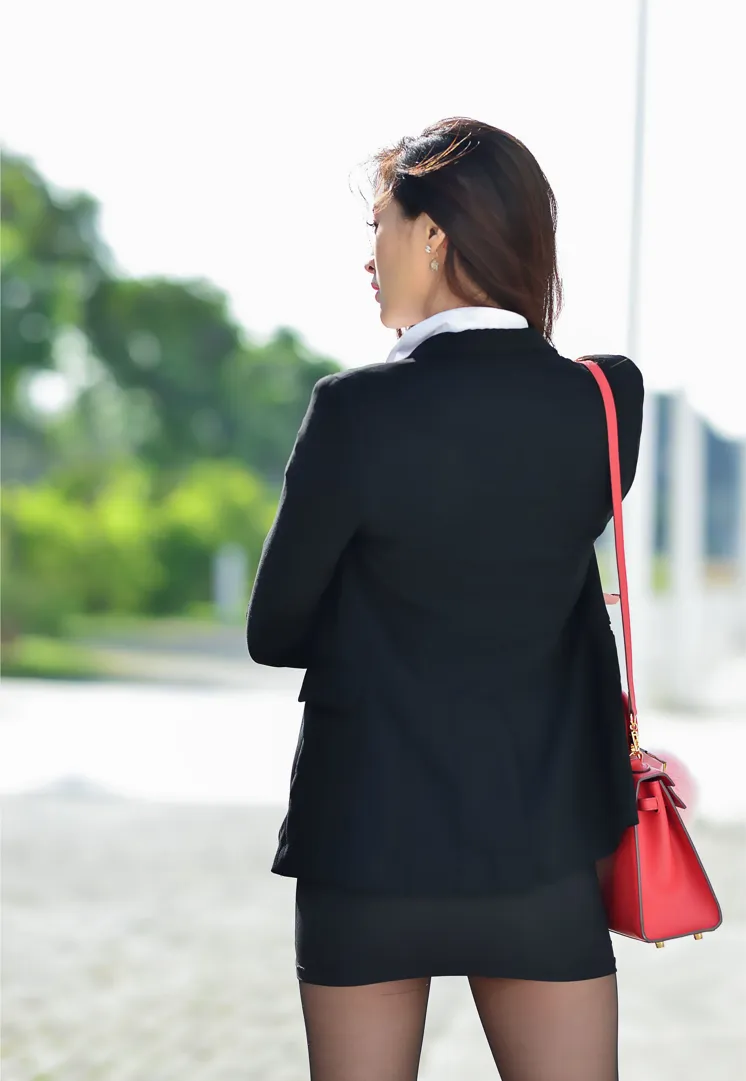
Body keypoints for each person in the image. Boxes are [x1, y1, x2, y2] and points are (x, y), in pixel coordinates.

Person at [246, 117, 644, 1081]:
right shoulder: (606, 399)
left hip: (368, 840)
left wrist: (379, 604)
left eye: (382, 223)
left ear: (434, 237)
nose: (368, 257)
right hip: (540, 840)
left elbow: (276, 628)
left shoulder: (355, 411)